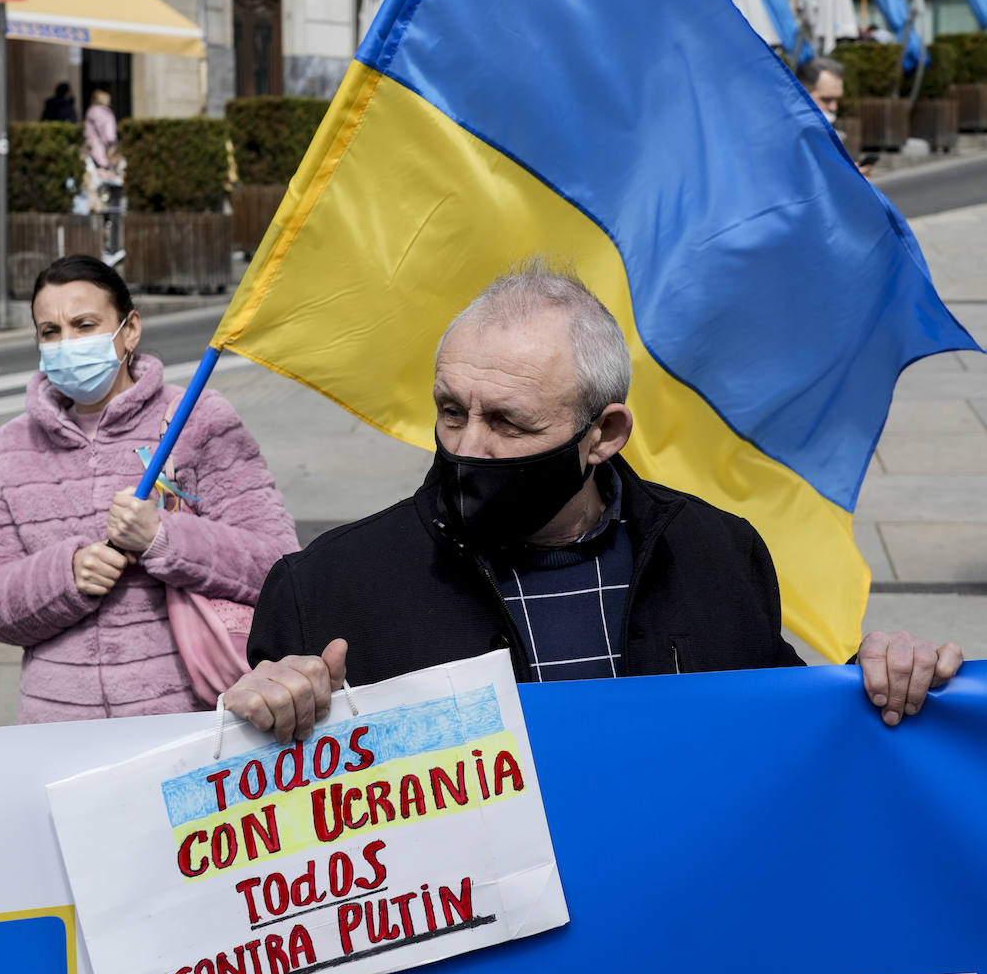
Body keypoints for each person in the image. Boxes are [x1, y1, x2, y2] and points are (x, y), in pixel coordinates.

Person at [226, 264, 962, 744]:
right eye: (452, 411)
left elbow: (789, 738)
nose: (467, 446)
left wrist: (887, 680)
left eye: (508, 422)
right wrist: (260, 712)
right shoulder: (323, 586)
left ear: (603, 434)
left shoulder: (717, 553)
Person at [0, 254, 298, 722]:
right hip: (56, 732)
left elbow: (276, 565)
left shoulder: (196, 418)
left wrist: (165, 539)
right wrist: (67, 575)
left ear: (130, 329)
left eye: (84, 325)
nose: (68, 343)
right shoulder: (11, 446)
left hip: (180, 723)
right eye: (50, 332)